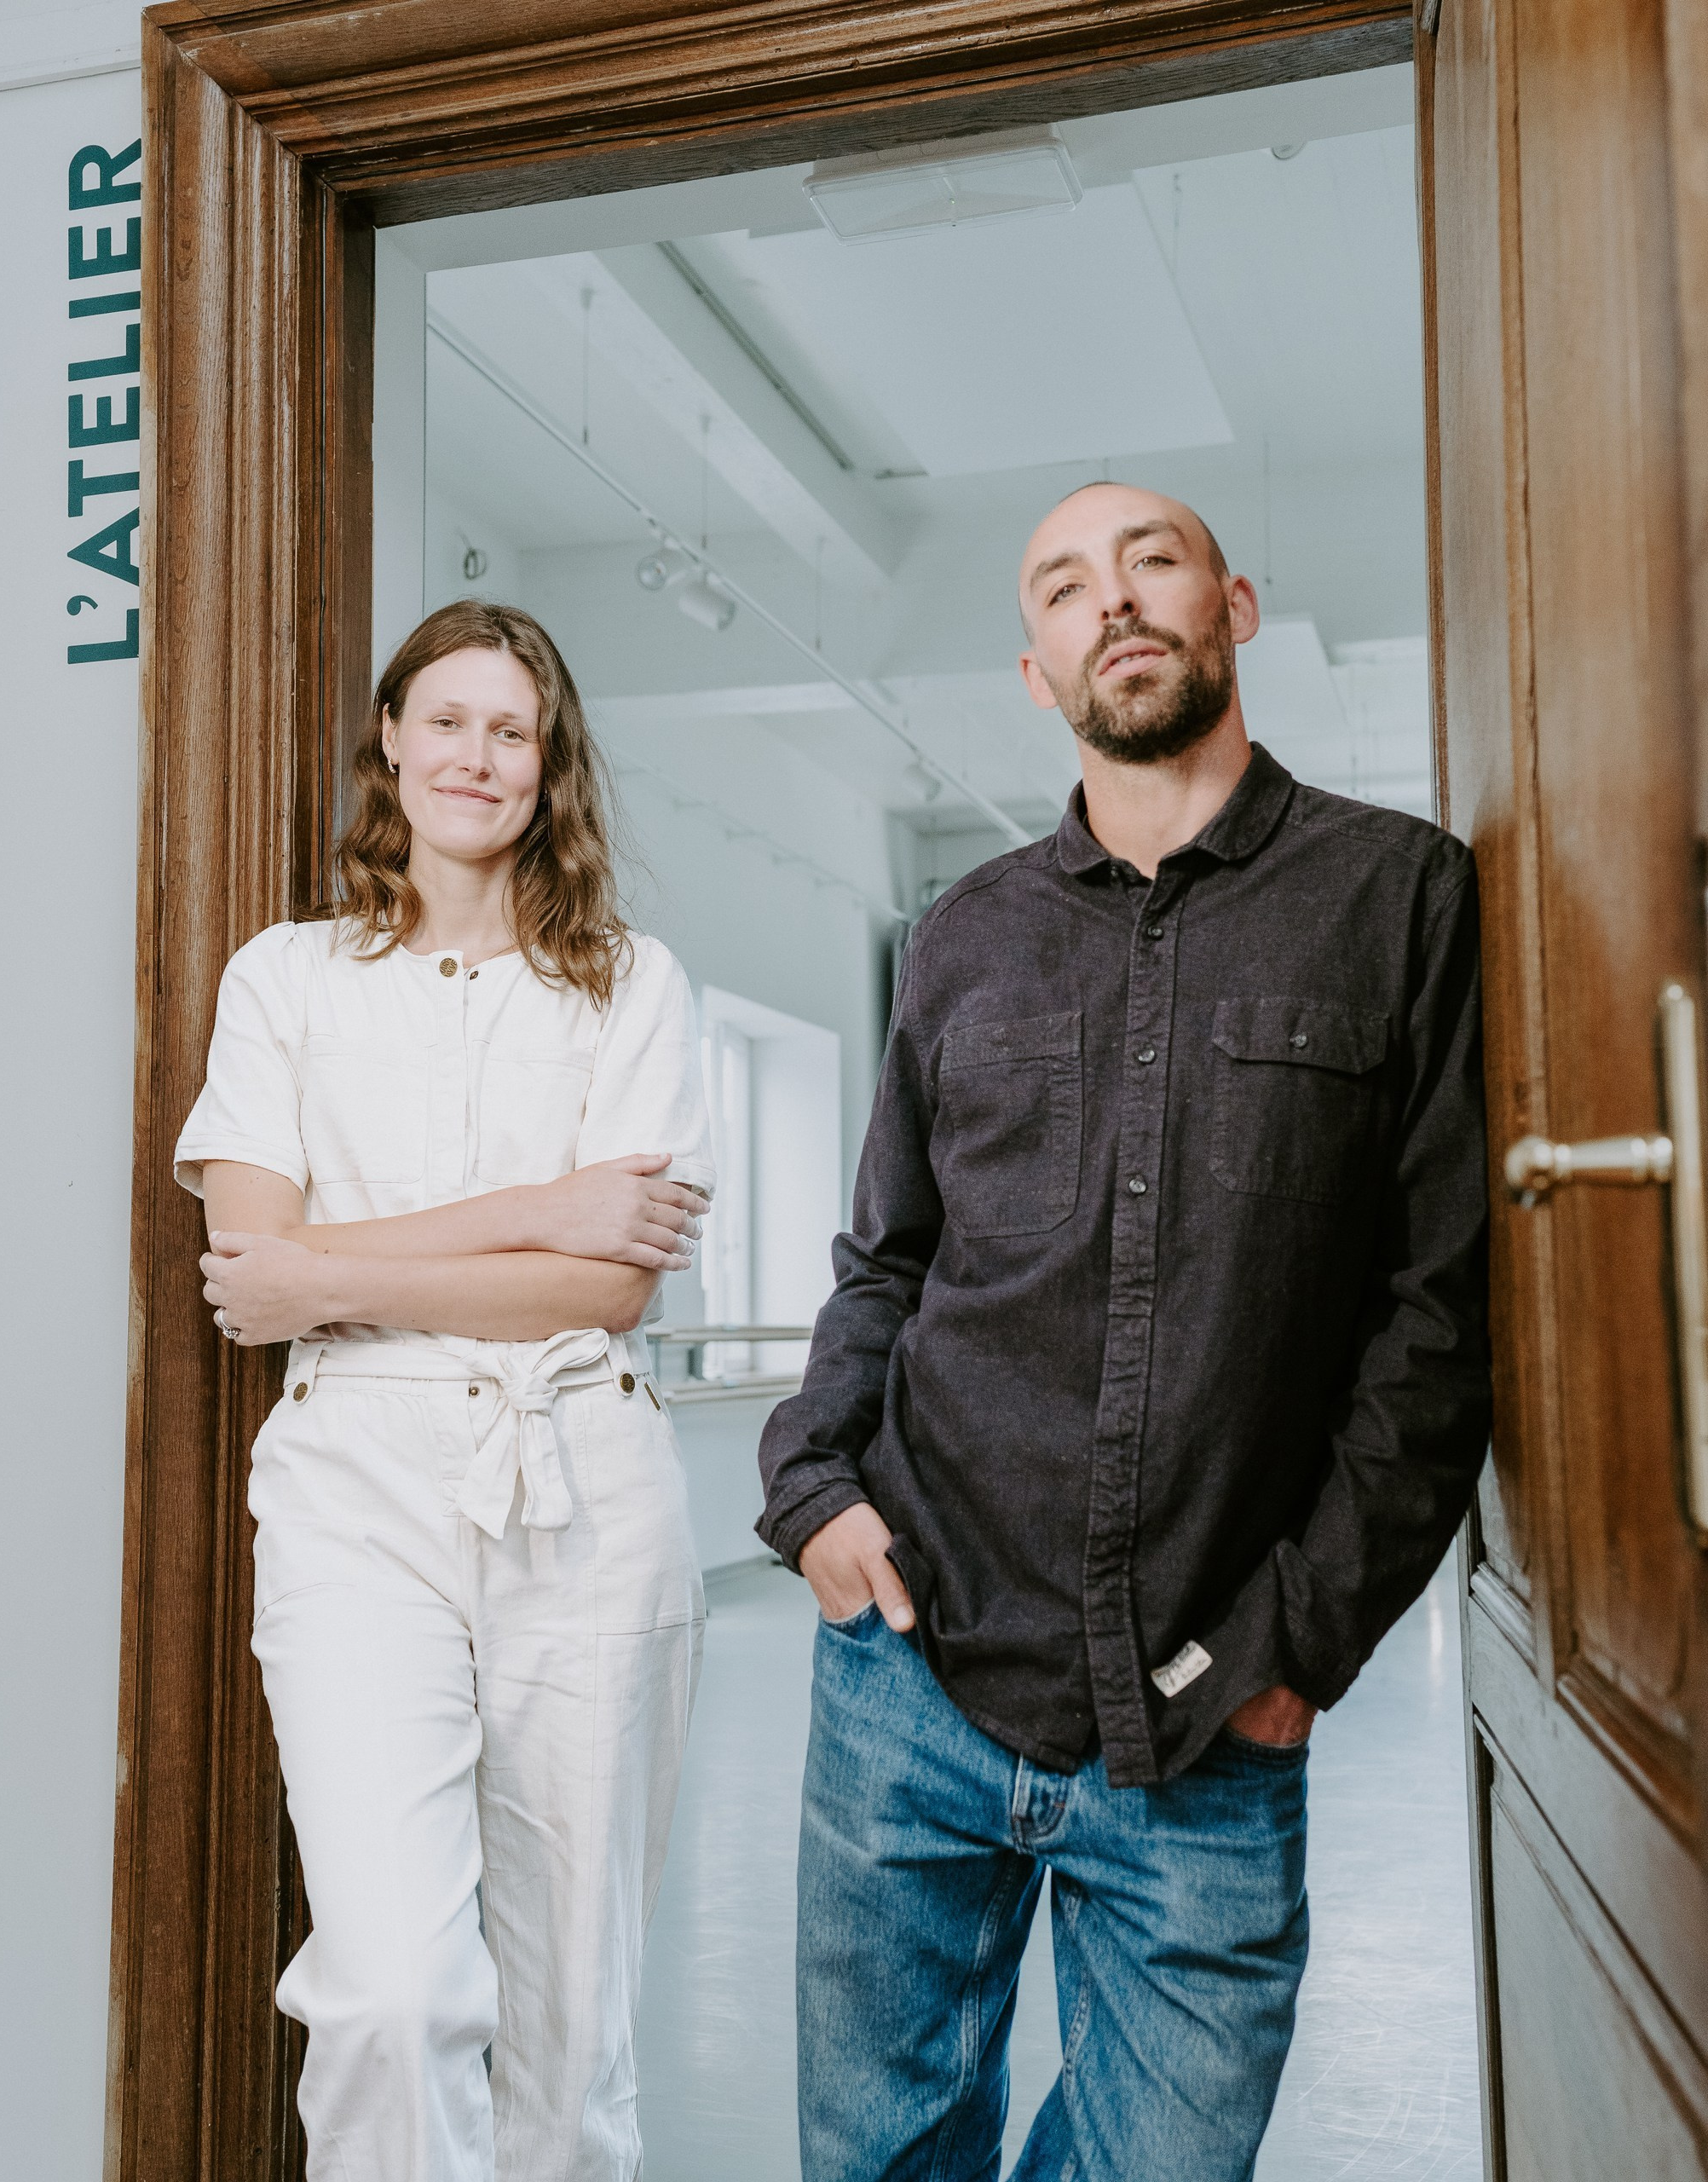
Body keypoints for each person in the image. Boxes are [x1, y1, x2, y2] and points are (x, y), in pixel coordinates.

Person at [759, 482, 1491, 2180]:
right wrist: (813, 1489)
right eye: (1066, 585)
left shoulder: (1399, 895)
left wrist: (1300, 1639)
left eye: (1151, 559)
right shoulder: (961, 936)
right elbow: (885, 1260)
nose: (1115, 598)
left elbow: (1435, 1313)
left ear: (1233, 603)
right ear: (1039, 670)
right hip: (913, 1664)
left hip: (1211, 1698)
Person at [174, 600, 713, 2182]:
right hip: (355, 1493)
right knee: (393, 1992)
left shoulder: (632, 983)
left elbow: (607, 1288)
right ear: (392, 740)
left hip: (583, 1480)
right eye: (449, 720)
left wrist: (328, 1272)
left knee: (571, 2028)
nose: (478, 756)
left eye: (514, 730)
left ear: (551, 767)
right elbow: (245, 1272)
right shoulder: (285, 979)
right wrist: (542, 1209)